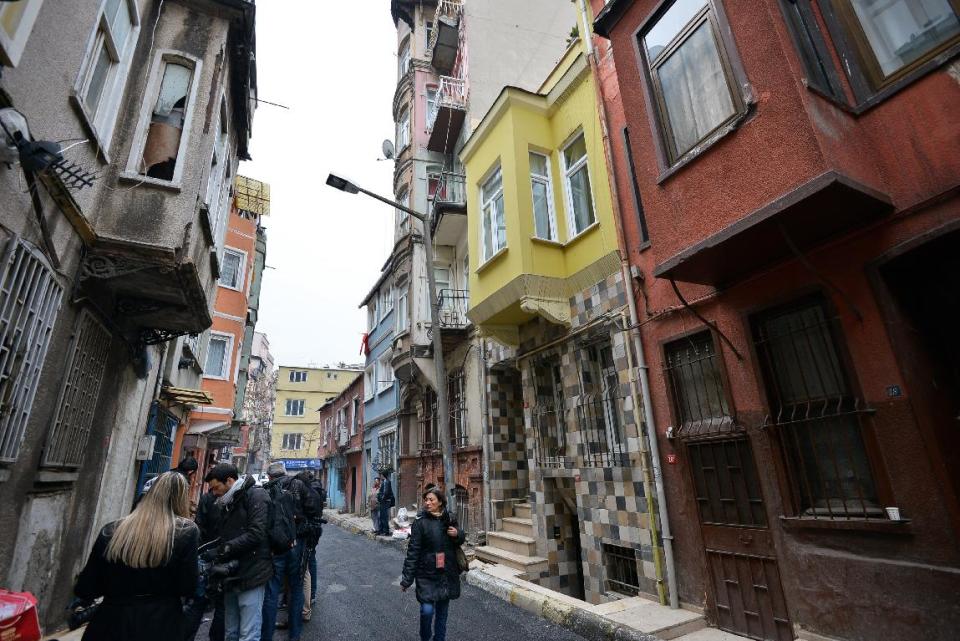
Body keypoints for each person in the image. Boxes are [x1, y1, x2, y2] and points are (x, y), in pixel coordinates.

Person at [74, 471, 199, 641]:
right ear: (182, 499)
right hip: (160, 625)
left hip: (110, 623)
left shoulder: (112, 530)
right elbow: (188, 586)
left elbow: (86, 587)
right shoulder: (185, 533)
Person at [207, 464, 273, 641]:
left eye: (216, 487)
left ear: (229, 481)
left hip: (253, 572)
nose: (214, 493)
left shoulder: (256, 496)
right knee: (231, 632)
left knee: (248, 634)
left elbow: (257, 533)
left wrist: (226, 548)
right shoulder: (227, 501)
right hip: (231, 573)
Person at [260, 462, 319, 641]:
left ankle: (266, 636)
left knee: (271, 591)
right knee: (296, 588)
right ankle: (294, 635)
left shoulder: (266, 490)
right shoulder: (298, 484)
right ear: (285, 473)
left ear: (270, 476)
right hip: (297, 542)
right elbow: (314, 508)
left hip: (275, 546)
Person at [400, 488, 466, 641]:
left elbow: (460, 538)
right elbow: (413, 552)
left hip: (446, 573)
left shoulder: (449, 518)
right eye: (426, 500)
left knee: (442, 614)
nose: (427, 503)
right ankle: (425, 637)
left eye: (431, 500)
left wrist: (458, 534)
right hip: (426, 574)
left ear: (440, 502)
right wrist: (407, 579)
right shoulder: (420, 523)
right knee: (427, 611)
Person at [294, 470, 323, 623]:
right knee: (310, 561)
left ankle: (309, 596)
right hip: (315, 530)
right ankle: (311, 595)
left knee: (308, 564)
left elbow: (309, 513)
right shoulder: (316, 490)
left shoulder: (309, 493)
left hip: (310, 531)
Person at [375, 469, 395, 536]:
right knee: (382, 516)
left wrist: (381, 499)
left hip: (385, 502)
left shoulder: (386, 482)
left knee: (383, 516)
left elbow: (385, 493)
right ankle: (382, 530)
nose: (380, 476)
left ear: (383, 475)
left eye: (381, 474)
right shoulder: (385, 481)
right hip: (385, 501)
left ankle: (385, 531)